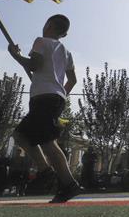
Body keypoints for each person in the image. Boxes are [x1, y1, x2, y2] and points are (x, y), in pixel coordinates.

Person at [8, 14, 82, 203]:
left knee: (47, 141)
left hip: (44, 98)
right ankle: (45, 171)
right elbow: (72, 80)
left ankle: (67, 183)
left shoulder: (41, 41)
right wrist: (60, 93)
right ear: (63, 33)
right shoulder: (66, 52)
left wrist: (15, 55)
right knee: (21, 135)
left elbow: (34, 65)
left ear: (49, 25)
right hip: (53, 98)